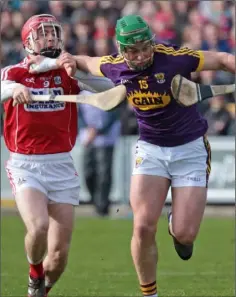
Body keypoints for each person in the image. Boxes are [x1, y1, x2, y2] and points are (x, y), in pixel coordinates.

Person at [27, 14, 235, 297]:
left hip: (190, 149)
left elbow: (223, 59)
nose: (140, 56)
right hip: (150, 149)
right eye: (133, 51)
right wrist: (59, 62)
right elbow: (84, 61)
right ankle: (149, 294)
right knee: (142, 225)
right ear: (123, 51)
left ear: (152, 42)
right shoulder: (115, 66)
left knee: (186, 235)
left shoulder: (175, 58)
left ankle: (177, 225)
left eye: (145, 47)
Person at [1, 14, 113, 297]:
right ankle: (34, 274)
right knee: (38, 226)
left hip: (61, 165)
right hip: (26, 164)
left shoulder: (67, 72)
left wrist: (77, 69)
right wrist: (15, 89)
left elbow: (110, 92)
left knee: (59, 257)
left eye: (53, 33)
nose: (50, 38)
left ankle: (43, 289)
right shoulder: (14, 73)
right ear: (28, 41)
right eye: (43, 34)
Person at [78, 92, 121, 216]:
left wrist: (98, 130)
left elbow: (114, 115)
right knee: (88, 172)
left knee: (104, 174)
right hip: (88, 139)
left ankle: (102, 206)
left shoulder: (108, 91)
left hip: (105, 139)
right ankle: (95, 200)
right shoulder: (83, 94)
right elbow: (79, 115)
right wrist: (88, 129)